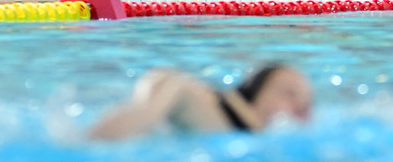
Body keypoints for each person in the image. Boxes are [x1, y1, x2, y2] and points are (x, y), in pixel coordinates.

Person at [87, 64, 313, 139]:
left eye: (304, 101)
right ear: (259, 93)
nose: (298, 106)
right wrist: (147, 115)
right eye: (289, 93)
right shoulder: (203, 105)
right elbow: (174, 88)